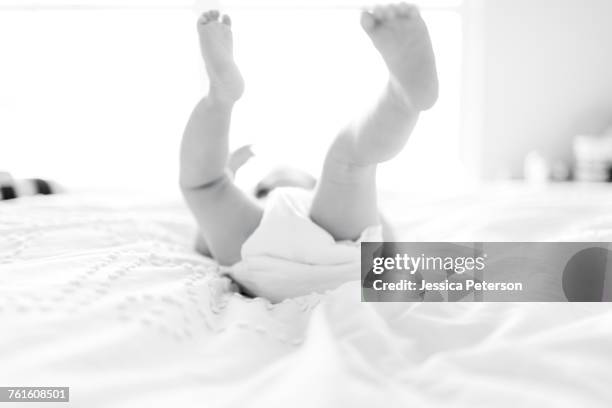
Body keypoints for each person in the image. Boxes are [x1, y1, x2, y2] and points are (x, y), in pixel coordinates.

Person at [180, 3, 438, 300]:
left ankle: (218, 97)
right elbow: (382, 233)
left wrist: (225, 176)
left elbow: (204, 242)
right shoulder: (330, 205)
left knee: (204, 186)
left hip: (257, 261)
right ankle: (401, 100)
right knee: (349, 163)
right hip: (342, 257)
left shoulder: (267, 206)